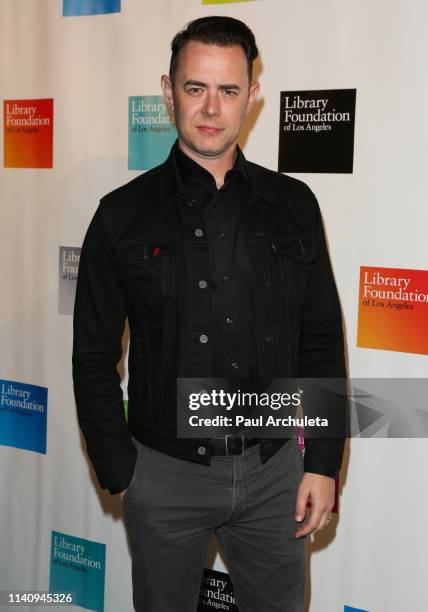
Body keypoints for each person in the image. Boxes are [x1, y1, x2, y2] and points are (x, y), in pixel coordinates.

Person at [72, 15, 346, 612]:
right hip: (163, 475)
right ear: (168, 92)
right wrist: (124, 471)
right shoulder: (121, 216)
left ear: (252, 95)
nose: (211, 108)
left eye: (228, 90)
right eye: (195, 88)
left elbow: (321, 342)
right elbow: (92, 357)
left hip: (275, 472)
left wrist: (322, 463)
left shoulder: (295, 205)